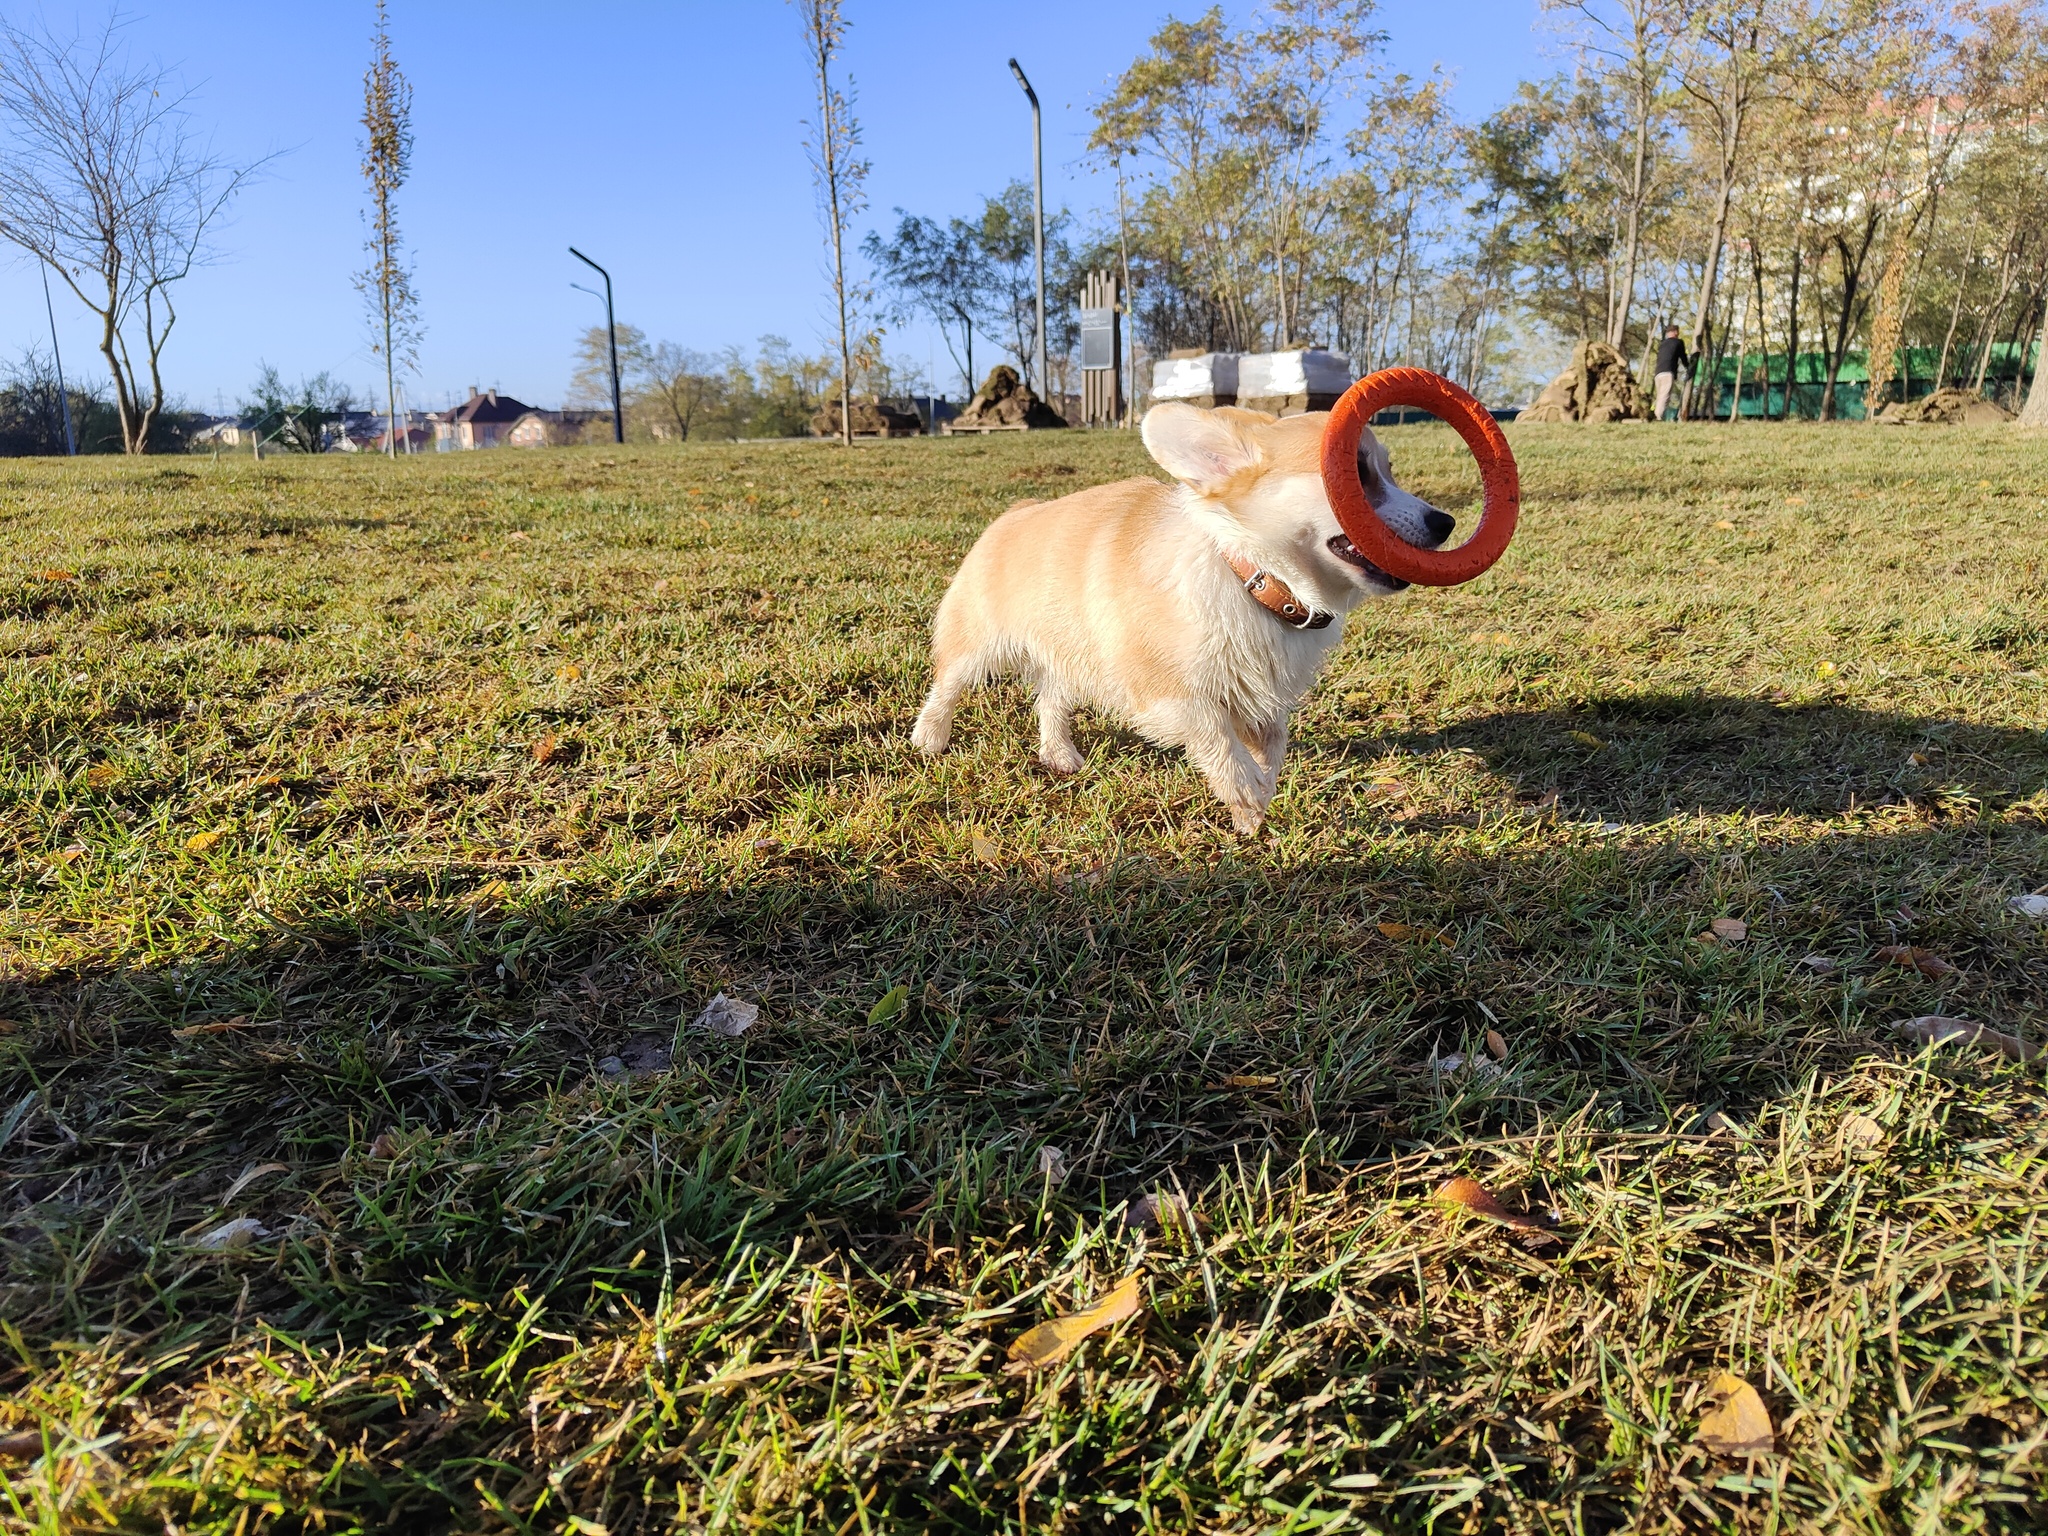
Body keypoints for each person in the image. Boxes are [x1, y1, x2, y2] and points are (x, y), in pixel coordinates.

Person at [1653, 325, 1688, 420]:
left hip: (1658, 373)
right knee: (1664, 396)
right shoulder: (1678, 342)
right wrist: (1688, 367)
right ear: (1676, 332)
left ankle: (1656, 414)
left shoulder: (1662, 343)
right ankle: (1658, 417)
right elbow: (1683, 356)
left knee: (1660, 395)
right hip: (1668, 372)